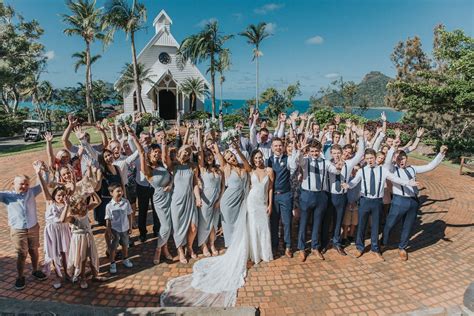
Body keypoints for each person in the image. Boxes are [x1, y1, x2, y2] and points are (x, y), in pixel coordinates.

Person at [341, 148, 419, 260]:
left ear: (375, 157)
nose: (370, 160)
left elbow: (395, 179)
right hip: (364, 200)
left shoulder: (383, 170)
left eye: (371, 158)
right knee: (362, 225)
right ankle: (359, 247)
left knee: (375, 226)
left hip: (377, 202)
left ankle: (375, 249)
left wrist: (408, 183)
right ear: (365, 159)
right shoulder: (362, 171)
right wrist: (347, 185)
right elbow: (354, 182)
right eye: (367, 159)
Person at [382, 145, 447, 260]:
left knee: (408, 226)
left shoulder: (412, 168)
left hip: (413, 201)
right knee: (390, 224)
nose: (401, 161)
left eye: (403, 158)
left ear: (406, 158)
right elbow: (387, 162)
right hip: (399, 201)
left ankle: (402, 247)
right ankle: (383, 242)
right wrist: (393, 148)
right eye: (398, 158)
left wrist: (440, 154)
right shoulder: (392, 169)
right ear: (394, 160)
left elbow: (430, 166)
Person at [128, 125, 173, 265]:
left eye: (158, 152)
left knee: (169, 226)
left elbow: (171, 174)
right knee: (165, 226)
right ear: (149, 153)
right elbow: (141, 152)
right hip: (160, 199)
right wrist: (134, 136)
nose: (157, 154)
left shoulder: (163, 165)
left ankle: (165, 249)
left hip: (170, 198)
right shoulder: (147, 170)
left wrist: (171, 184)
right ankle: (158, 250)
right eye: (154, 152)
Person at [295, 140, 343, 262]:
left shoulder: (325, 162)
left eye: (316, 151)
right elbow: (298, 160)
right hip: (307, 195)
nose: (314, 153)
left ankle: (315, 247)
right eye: (312, 151)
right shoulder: (306, 161)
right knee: (304, 222)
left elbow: (335, 170)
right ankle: (301, 248)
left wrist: (338, 167)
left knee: (317, 223)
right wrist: (301, 151)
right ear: (309, 151)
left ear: (320, 151)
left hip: (321, 196)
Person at [0, 169, 48, 290]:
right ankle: (20, 276)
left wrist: (43, 171)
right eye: (21, 183)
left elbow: (45, 183)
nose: (24, 186)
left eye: (26, 184)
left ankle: (35, 270)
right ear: (13, 184)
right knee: (22, 254)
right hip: (18, 230)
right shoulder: (7, 196)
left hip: (33, 227)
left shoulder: (31, 192)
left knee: (34, 250)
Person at [163, 132, 201, 264]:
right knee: (178, 227)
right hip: (177, 201)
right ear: (179, 152)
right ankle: (180, 250)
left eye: (188, 152)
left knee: (193, 227)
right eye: (184, 151)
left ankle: (189, 247)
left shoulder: (193, 166)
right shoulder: (173, 166)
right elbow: (165, 159)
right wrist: (164, 143)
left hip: (190, 200)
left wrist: (197, 198)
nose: (186, 154)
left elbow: (195, 183)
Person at [35, 161, 71, 289]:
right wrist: (39, 174)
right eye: (59, 195)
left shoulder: (67, 204)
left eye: (63, 195)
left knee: (64, 252)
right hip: (52, 231)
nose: (61, 197)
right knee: (55, 253)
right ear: (54, 195)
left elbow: (66, 219)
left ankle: (66, 272)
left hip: (64, 230)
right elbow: (44, 187)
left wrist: (67, 205)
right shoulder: (50, 201)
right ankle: (58, 276)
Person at [213, 142, 252, 247]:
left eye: (231, 156)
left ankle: (241, 247)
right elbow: (218, 154)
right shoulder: (226, 168)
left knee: (241, 225)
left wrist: (238, 150)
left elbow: (249, 167)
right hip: (228, 202)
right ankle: (232, 249)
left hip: (241, 201)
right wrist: (215, 144)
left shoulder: (244, 166)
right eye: (228, 158)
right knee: (230, 227)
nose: (231, 159)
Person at [267, 137, 298, 258]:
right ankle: (274, 245)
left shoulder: (288, 159)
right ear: (272, 147)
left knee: (287, 222)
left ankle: (288, 246)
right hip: (273, 196)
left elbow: (294, 166)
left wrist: (295, 147)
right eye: (275, 146)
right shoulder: (268, 161)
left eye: (280, 145)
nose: (278, 148)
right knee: (273, 222)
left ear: (283, 147)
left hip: (285, 195)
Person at [196, 127, 224, 257]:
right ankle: (203, 245)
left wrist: (220, 199)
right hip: (205, 198)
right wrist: (199, 133)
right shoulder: (202, 169)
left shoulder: (219, 170)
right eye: (206, 156)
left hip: (217, 199)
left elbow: (223, 186)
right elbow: (200, 152)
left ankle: (212, 244)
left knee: (213, 223)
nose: (209, 158)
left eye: (210, 155)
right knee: (204, 223)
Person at [66, 193, 103, 289]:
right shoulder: (72, 216)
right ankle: (82, 278)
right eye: (81, 203)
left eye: (84, 202)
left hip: (88, 236)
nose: (84, 205)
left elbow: (98, 202)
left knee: (92, 255)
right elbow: (62, 220)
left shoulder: (86, 209)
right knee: (82, 259)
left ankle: (95, 275)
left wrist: (93, 193)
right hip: (79, 239)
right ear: (74, 205)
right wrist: (67, 206)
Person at [247, 150, 274, 263]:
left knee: (264, 227)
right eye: (256, 158)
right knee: (253, 227)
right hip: (252, 202)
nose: (258, 160)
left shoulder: (269, 171)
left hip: (263, 203)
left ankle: (265, 253)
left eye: (260, 157)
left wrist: (270, 204)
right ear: (253, 160)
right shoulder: (250, 171)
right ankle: (255, 254)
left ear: (263, 157)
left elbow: (270, 188)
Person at [105, 183, 133, 273]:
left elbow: (129, 215)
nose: (120, 192)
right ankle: (112, 263)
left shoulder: (126, 202)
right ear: (111, 193)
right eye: (118, 191)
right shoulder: (109, 206)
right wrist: (109, 232)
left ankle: (125, 259)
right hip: (115, 230)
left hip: (125, 228)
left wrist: (130, 226)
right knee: (113, 248)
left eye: (121, 190)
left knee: (125, 245)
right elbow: (108, 220)